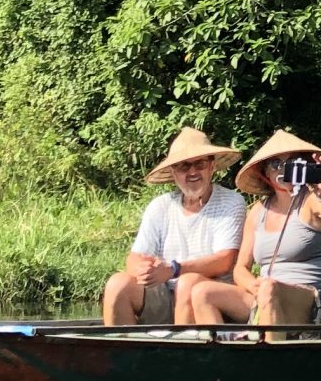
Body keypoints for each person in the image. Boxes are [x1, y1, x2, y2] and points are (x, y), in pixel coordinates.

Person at [180, 129, 321, 327]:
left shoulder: (311, 201)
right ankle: (223, 355)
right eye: (276, 164)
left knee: (270, 288)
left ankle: (269, 354)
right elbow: (241, 268)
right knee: (202, 292)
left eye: (290, 163)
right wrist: (253, 285)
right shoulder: (258, 210)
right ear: (265, 173)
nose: (283, 170)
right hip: (267, 296)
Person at [102, 127, 248, 325]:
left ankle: (182, 352)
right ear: (173, 172)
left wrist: (174, 270)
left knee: (188, 283)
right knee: (117, 284)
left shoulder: (231, 202)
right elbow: (135, 257)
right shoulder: (160, 206)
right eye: (183, 166)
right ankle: (120, 352)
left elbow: (225, 260)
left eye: (200, 164)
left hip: (208, 294)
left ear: (212, 166)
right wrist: (144, 270)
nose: (193, 172)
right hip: (164, 292)